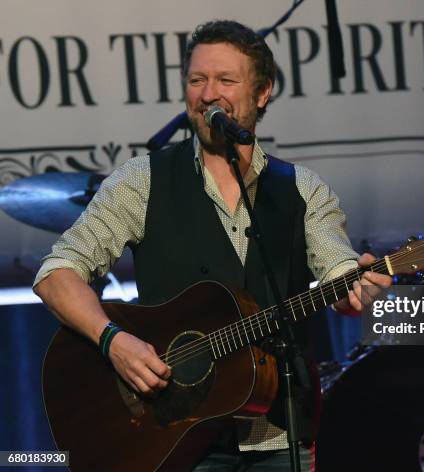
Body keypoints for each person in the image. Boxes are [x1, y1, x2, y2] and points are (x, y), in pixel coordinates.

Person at [33, 20, 392, 471]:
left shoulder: (303, 189)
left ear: (262, 93)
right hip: (172, 435)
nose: (207, 94)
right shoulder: (142, 181)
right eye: (197, 80)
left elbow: (338, 266)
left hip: (277, 437)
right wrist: (114, 342)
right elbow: (55, 274)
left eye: (226, 80)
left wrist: (355, 285)